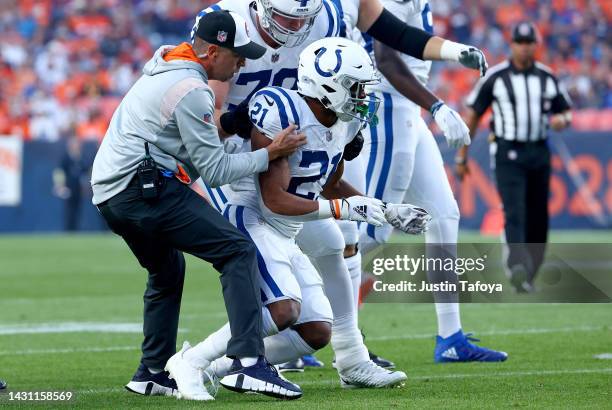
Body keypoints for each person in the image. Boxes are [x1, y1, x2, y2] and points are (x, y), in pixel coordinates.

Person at [191, 0, 489, 375]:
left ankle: (351, 357)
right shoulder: (228, 23)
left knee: (337, 243)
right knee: (271, 271)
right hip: (233, 157)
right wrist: (254, 123)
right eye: (285, 17)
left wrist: (451, 51)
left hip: (292, 144)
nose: (294, 27)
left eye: (303, 19)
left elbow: (394, 34)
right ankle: (221, 361)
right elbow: (208, 121)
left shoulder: (329, 13)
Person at [166, 37, 430, 400]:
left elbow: (328, 184)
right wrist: (347, 210)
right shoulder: (281, 112)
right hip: (254, 215)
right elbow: (274, 200)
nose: (362, 98)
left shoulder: (345, 122)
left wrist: (384, 210)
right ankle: (191, 361)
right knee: (283, 310)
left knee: (316, 331)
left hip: (287, 227)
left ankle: (217, 367)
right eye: (355, 88)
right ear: (326, 85)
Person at [91, 10, 306, 401]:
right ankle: (248, 362)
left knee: (167, 270)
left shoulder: (166, 66)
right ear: (210, 52)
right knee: (237, 250)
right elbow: (217, 169)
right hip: (143, 188)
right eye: (237, 54)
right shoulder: (192, 88)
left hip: (112, 193)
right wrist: (271, 152)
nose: (241, 62)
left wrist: (234, 123)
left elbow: (182, 139)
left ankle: (152, 372)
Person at [350, 0, 507, 363]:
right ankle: (304, 320)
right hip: (388, 106)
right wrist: (437, 105)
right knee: (372, 232)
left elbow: (414, 40)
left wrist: (453, 52)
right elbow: (386, 60)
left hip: (407, 108)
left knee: (444, 215)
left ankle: (450, 337)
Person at [457, 22, 572, 292]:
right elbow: (473, 114)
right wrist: (462, 156)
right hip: (508, 151)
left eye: (528, 42)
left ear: (535, 44)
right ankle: (517, 265)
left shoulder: (547, 77)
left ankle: (530, 271)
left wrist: (562, 120)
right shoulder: (496, 77)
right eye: (519, 42)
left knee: (539, 216)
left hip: (539, 152)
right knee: (515, 210)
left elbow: (565, 111)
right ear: (512, 45)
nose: (524, 47)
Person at [53, 136, 90, 231]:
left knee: (78, 210)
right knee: (69, 210)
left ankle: (75, 229)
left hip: (79, 188)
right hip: (68, 188)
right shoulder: (66, 158)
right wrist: (60, 185)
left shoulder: (82, 158)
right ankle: (68, 229)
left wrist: (86, 186)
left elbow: (86, 172)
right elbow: (59, 172)